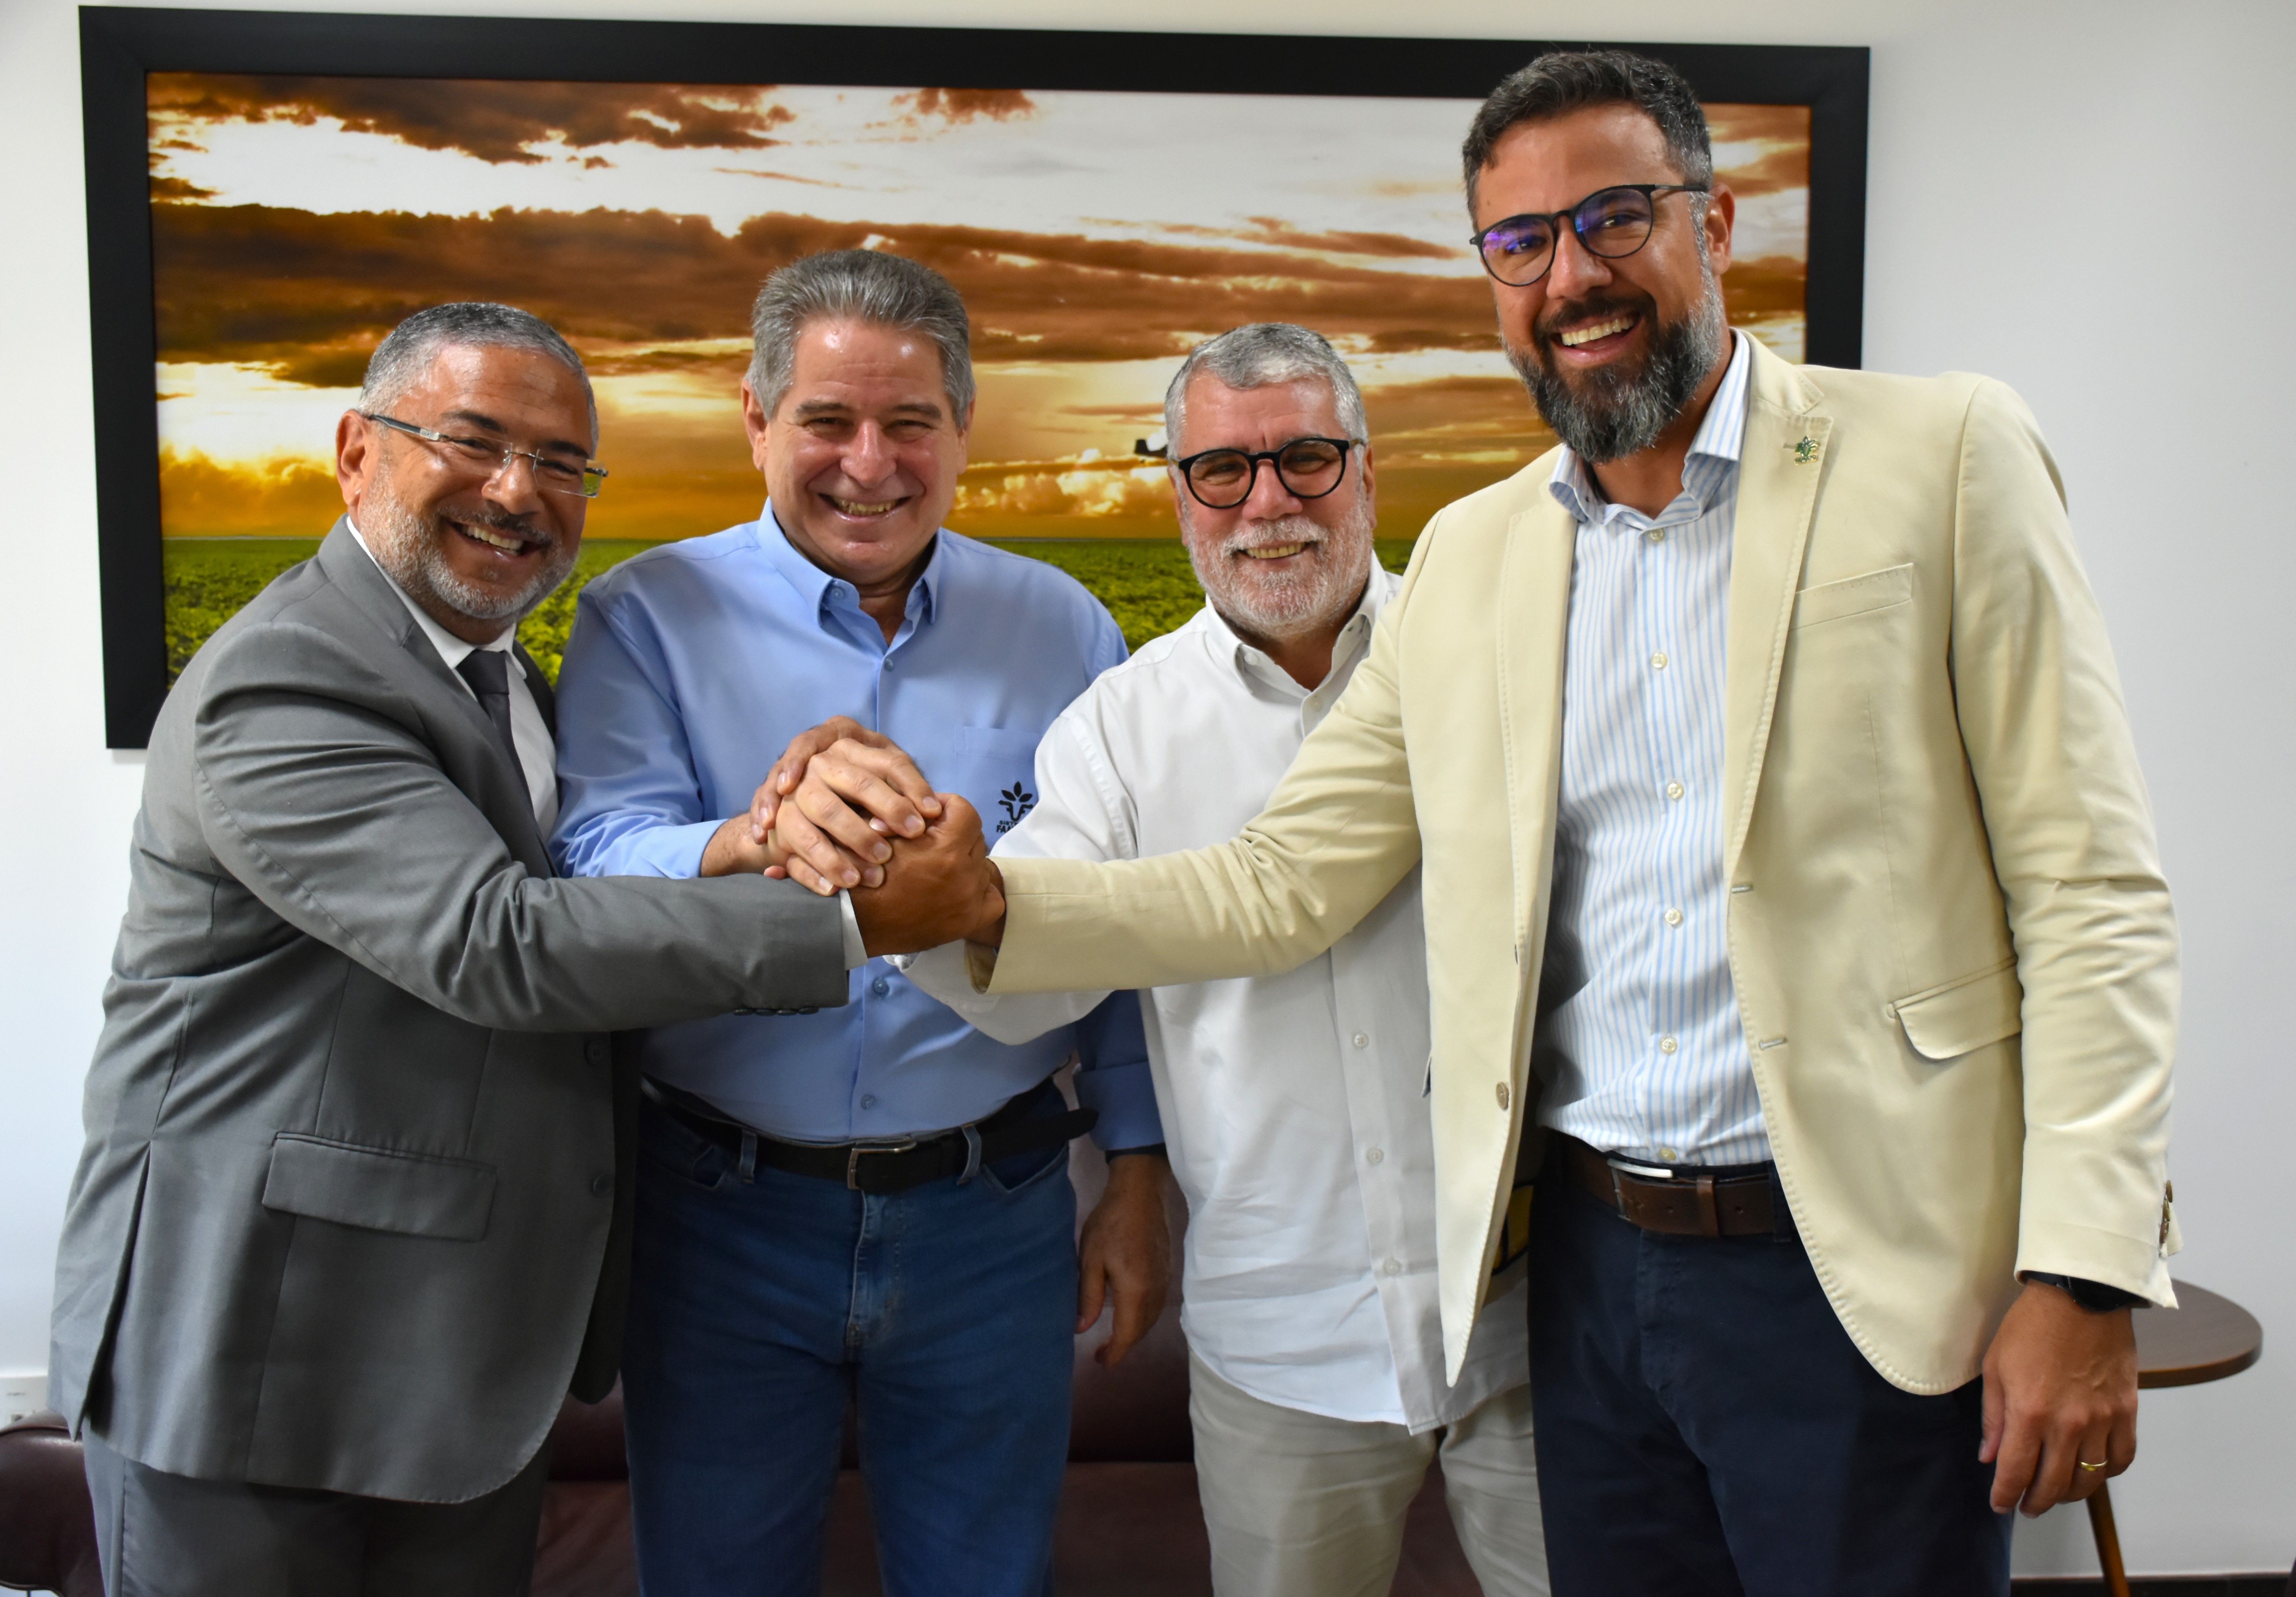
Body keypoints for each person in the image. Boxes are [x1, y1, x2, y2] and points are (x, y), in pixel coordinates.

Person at [795, 49, 2183, 1597]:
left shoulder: (1941, 454)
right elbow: (1282, 881)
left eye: (1614, 218)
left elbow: (2090, 891)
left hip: (1863, 1265)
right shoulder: (1480, 553)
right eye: (1521, 242)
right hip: (1588, 1280)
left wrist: (2084, 1272)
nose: (1571, 276)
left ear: (1716, 223)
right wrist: (982, 905)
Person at [50, 302, 856, 1597]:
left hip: (455, 1360)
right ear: (356, 452)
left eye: (562, 463)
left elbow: (571, 889)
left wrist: (748, 840)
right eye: (474, 442)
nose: (518, 491)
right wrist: (859, 922)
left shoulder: (510, 685)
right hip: (258, 1350)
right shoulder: (287, 677)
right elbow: (495, 941)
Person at [888, 324, 1548, 1597]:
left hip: (1534, 1317)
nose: (1267, 505)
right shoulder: (1122, 729)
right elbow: (1031, 981)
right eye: (1223, 471)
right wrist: (926, 895)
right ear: (1179, 492)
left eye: (1306, 460)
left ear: (1367, 470)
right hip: (1283, 1336)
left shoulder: (1502, 663)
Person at [547, 249, 1170, 1597]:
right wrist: (753, 836)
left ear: (966, 429)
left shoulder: (1066, 629)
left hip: (994, 1218)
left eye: (911, 423)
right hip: (716, 1216)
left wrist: (1137, 1169)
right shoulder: (644, 615)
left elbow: (1112, 919)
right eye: (827, 421)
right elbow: (593, 860)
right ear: (757, 421)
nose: (870, 464)